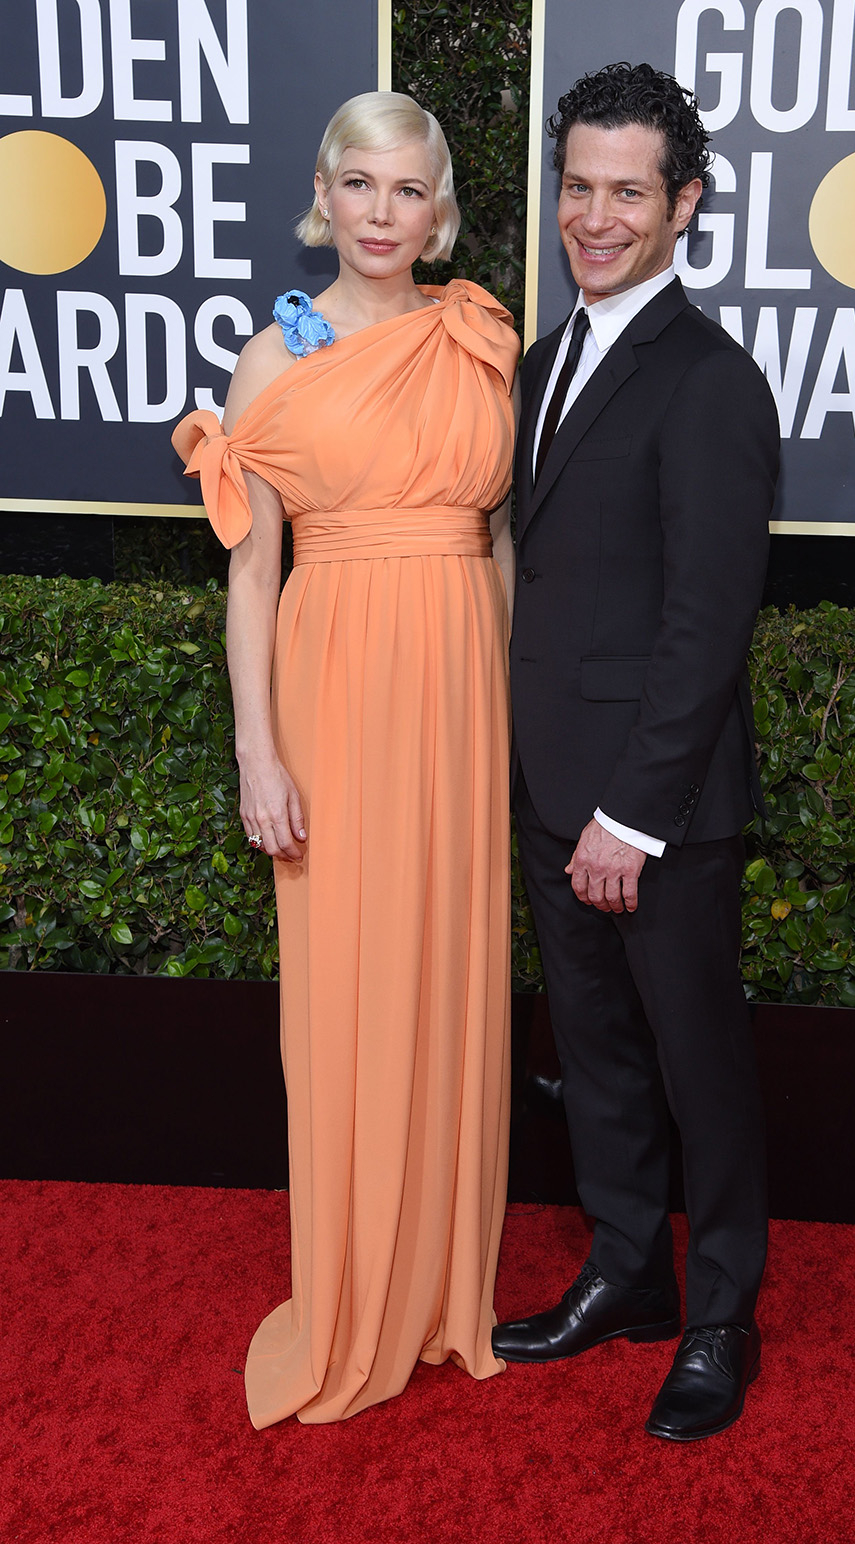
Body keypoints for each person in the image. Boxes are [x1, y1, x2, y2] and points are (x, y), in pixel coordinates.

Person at [172, 91, 520, 1427]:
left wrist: (517, 703)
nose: (385, 216)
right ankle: (359, 1286)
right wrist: (260, 751)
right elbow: (253, 573)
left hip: (461, 688)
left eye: (411, 192)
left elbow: (498, 544)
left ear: (440, 207)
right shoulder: (279, 358)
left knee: (452, 970)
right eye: (362, 188)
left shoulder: (479, 335)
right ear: (326, 193)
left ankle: (440, 1281)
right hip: (338, 682)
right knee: (355, 975)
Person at [493, 62, 780, 1441]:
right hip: (549, 785)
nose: (593, 219)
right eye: (576, 188)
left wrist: (634, 816)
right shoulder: (544, 362)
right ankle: (626, 1273)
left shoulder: (712, 382)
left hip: (649, 809)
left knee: (694, 1062)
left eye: (626, 192)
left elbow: (704, 625)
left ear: (685, 205)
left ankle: (720, 1311)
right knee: (597, 1053)